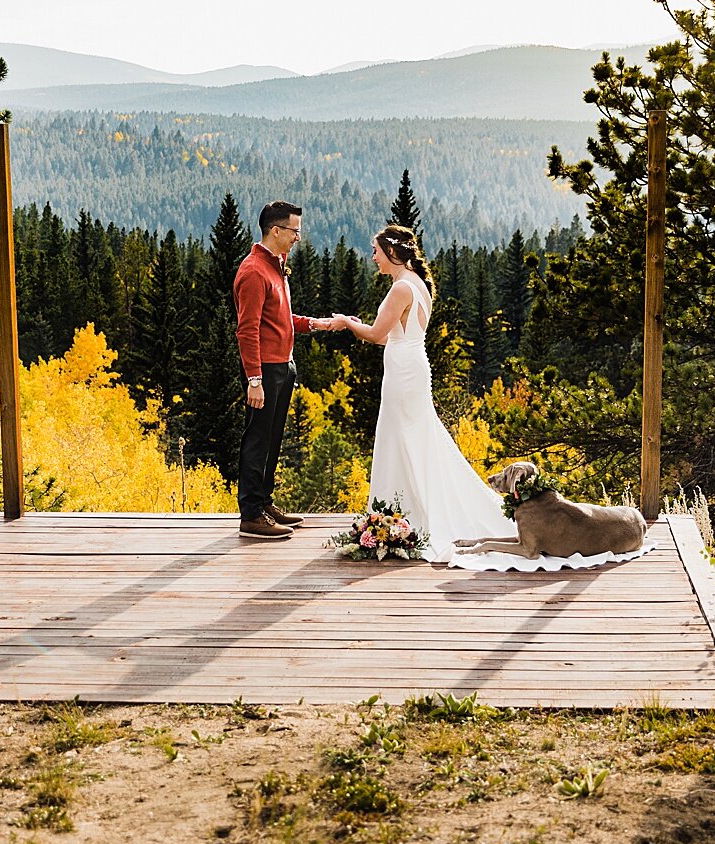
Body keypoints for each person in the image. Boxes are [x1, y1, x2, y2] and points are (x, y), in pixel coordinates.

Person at [340, 225, 619, 571]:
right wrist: (362, 327)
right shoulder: (419, 284)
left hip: (403, 372)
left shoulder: (400, 287)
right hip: (409, 365)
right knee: (412, 438)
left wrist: (346, 323)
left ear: (393, 252)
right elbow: (393, 336)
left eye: (376, 250)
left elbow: (377, 334)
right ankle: (402, 513)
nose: (373, 257)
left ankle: (401, 515)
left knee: (401, 438)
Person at [233, 201, 345, 540]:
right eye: (295, 230)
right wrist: (254, 379)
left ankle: (264, 503)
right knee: (257, 440)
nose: (298, 236)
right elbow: (247, 329)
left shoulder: (276, 266)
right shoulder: (254, 272)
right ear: (276, 231)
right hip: (264, 371)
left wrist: (321, 324)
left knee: (272, 439)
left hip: (283, 366)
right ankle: (251, 515)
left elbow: (282, 320)